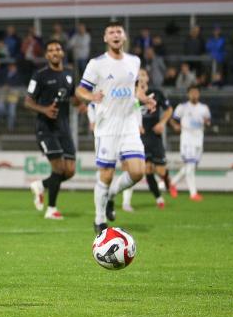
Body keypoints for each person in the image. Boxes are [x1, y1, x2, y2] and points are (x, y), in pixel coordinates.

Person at [75, 21, 156, 234]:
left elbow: (135, 90)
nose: (115, 35)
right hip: (107, 127)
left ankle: (111, 195)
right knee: (106, 174)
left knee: (138, 172)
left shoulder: (134, 61)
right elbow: (80, 90)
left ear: (124, 36)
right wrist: (91, 96)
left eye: (119, 31)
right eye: (111, 32)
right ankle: (99, 219)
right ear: (105, 38)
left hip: (129, 125)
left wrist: (145, 99)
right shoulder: (96, 64)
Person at [24, 40, 79, 220]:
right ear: (47, 55)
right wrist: (44, 110)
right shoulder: (39, 75)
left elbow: (74, 97)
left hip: (64, 128)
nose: (55, 52)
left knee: (70, 171)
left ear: (62, 53)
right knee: (59, 167)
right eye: (51, 50)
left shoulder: (69, 73)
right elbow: (28, 101)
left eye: (58, 49)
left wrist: (83, 103)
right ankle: (51, 209)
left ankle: (41, 185)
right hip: (46, 129)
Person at [121, 69, 174, 212]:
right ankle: (155, 199)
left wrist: (162, 123)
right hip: (136, 138)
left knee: (160, 170)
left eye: (143, 74)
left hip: (154, 137)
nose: (141, 77)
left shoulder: (156, 93)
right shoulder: (129, 94)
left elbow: (169, 109)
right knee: (142, 170)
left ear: (148, 78)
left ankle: (166, 179)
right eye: (138, 75)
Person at [169, 85, 211, 201]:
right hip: (187, 140)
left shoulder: (204, 108)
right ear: (188, 94)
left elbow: (208, 122)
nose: (194, 94)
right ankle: (193, 194)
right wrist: (175, 126)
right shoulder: (182, 107)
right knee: (190, 166)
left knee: (190, 167)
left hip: (199, 140)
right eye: (192, 92)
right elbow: (172, 119)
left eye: (196, 92)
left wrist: (207, 122)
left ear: (199, 94)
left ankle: (172, 183)